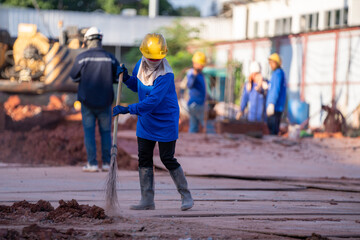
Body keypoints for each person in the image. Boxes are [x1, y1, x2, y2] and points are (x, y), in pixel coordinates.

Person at [113, 33, 194, 211]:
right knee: (144, 158)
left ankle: (186, 195)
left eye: (158, 57)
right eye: (150, 57)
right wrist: (127, 79)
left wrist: (128, 109)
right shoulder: (140, 66)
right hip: (146, 120)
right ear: (144, 53)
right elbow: (139, 86)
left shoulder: (166, 75)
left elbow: (152, 102)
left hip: (165, 120)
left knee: (167, 158)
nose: (154, 60)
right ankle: (147, 199)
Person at [69, 27, 120, 172]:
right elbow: (118, 78)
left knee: (89, 133)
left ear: (86, 41)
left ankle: (91, 164)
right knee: (105, 133)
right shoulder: (110, 57)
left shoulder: (82, 58)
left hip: (87, 102)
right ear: (100, 39)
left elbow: (74, 77)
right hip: (105, 102)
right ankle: (106, 164)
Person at [266, 53, 287, 135]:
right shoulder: (279, 73)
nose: (270, 65)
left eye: (272, 63)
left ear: (276, 63)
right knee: (273, 129)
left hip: (275, 107)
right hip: (277, 107)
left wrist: (271, 103)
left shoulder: (278, 73)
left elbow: (275, 89)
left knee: (272, 129)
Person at [187, 51, 207, 133]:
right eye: (201, 65)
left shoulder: (201, 75)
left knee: (194, 127)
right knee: (206, 125)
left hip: (200, 104)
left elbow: (203, 89)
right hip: (195, 104)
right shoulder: (192, 73)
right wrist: (194, 75)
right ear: (195, 63)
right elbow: (189, 85)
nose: (202, 67)